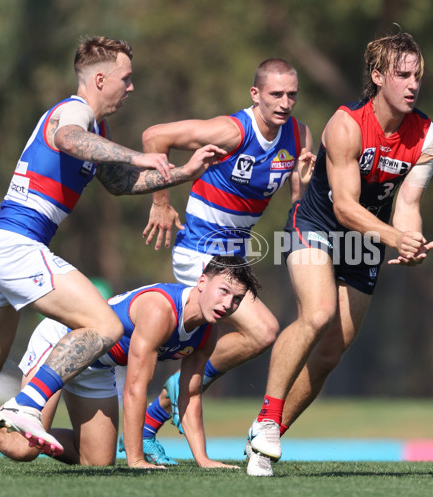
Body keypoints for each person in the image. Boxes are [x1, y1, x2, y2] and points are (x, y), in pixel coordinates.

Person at [0, 36, 226, 457]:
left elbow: (118, 183)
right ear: (100, 79)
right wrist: (137, 155)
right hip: (15, 242)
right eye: (126, 78)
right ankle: (26, 404)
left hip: (5, 247)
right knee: (105, 326)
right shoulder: (74, 111)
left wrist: (185, 172)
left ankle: (19, 415)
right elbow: (67, 139)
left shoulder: (97, 127)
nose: (131, 87)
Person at [245, 31, 433, 476]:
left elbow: (407, 206)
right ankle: (265, 422)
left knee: (332, 350)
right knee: (317, 315)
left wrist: (410, 241)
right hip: (317, 225)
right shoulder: (346, 125)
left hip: (368, 239)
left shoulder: (428, 137)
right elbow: (344, 207)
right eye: (402, 75)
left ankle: (265, 435)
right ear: (377, 77)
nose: (413, 84)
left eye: (418, 76)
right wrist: (394, 237)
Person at [137, 58, 315, 459]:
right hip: (198, 250)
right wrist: (161, 203)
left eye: (292, 94)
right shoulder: (233, 130)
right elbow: (154, 136)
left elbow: (298, 199)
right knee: (265, 330)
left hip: (234, 260)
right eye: (276, 94)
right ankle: (171, 393)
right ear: (255, 94)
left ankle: (157, 415)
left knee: (217, 344)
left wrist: (302, 189)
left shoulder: (300, 135)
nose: (285, 103)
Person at [0, 255, 259, 469]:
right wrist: (136, 459)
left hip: (98, 366)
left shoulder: (206, 333)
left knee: (96, 461)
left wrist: (203, 459)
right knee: (23, 449)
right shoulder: (160, 310)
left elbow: (189, 395)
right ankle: (8, 430)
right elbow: (134, 390)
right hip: (65, 343)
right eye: (223, 291)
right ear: (202, 282)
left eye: (236, 299)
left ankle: (1, 428)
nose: (228, 304)